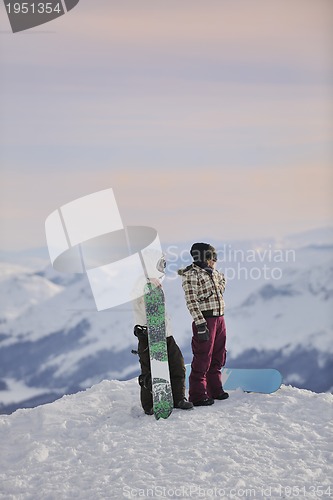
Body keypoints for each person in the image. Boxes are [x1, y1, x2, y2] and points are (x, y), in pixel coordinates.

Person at [132, 255, 193, 415]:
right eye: (160, 263)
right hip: (148, 334)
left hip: (165, 333)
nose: (163, 267)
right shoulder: (141, 284)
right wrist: (147, 283)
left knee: (177, 363)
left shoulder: (156, 283)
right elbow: (141, 303)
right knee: (150, 370)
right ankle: (150, 404)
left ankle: (178, 398)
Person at [178, 242, 228, 406]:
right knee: (203, 357)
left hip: (219, 318)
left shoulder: (214, 273)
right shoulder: (192, 275)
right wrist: (200, 324)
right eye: (213, 257)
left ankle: (215, 389)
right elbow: (192, 302)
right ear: (204, 257)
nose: (215, 260)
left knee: (218, 355)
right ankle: (198, 394)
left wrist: (218, 279)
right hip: (206, 320)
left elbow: (222, 283)